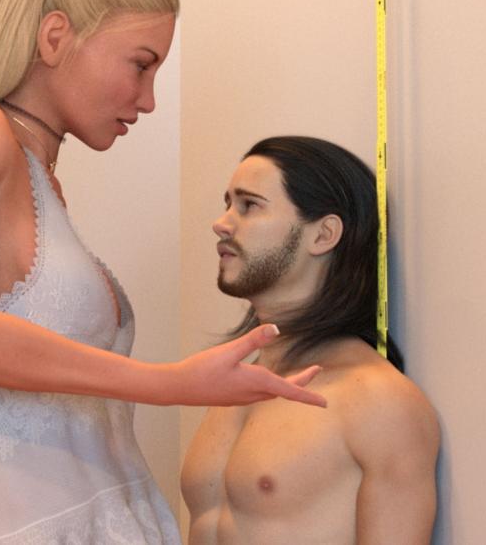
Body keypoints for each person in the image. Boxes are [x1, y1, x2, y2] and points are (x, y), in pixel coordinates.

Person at [0, 0, 326, 543]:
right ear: (56, 37)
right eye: (141, 64)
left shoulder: (38, 178)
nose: (149, 99)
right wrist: (171, 383)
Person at [181, 137, 440, 544]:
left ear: (323, 235)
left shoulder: (378, 399)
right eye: (228, 204)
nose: (222, 223)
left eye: (249, 205)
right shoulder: (233, 388)